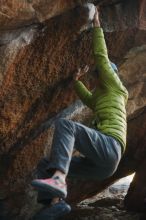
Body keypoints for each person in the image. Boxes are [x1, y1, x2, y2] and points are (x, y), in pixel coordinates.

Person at [31, 5, 128, 220]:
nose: (97, 74)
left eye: (100, 72)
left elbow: (101, 56)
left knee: (66, 126)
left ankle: (58, 179)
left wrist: (96, 24)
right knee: (45, 164)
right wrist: (76, 81)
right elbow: (86, 97)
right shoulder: (102, 97)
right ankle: (54, 205)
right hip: (102, 167)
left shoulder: (116, 85)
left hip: (110, 146)